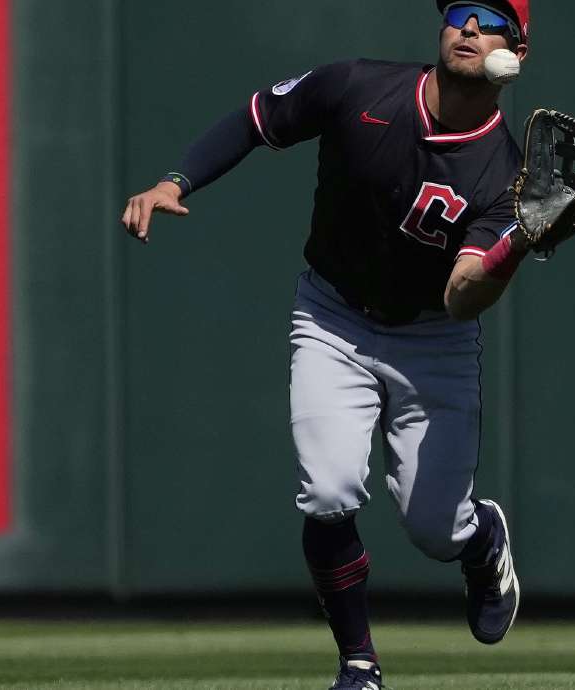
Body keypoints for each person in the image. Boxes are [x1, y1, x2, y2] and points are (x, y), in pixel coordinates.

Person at [121, 2, 531, 688]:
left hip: (434, 338)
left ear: (516, 51)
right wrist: (175, 180)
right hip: (333, 316)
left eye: (490, 19)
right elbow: (255, 119)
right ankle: (359, 664)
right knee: (328, 491)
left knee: (434, 529)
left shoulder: (503, 174)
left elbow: (463, 294)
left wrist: (511, 253)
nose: (467, 27)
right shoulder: (358, 87)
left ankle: (479, 539)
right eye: (458, 11)